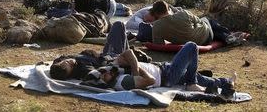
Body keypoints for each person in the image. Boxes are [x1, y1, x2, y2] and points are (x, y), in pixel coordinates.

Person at [88, 41, 237, 97]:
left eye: (103, 72)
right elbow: (150, 80)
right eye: (103, 77)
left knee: (198, 76)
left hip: (164, 68)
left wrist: (130, 66)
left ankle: (226, 82)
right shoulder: (122, 82)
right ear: (105, 83)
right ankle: (191, 82)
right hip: (166, 77)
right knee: (191, 46)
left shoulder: (114, 69)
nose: (105, 74)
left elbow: (127, 52)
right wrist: (135, 69)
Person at [49, 21, 129, 80]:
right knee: (118, 25)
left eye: (65, 61)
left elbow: (59, 61)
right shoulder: (84, 70)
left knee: (119, 30)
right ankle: (129, 54)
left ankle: (129, 51)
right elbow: (99, 73)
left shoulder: (60, 63)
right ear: (71, 72)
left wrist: (88, 52)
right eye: (70, 65)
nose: (69, 61)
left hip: (103, 54)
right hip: (113, 57)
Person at [149, 1, 248, 46]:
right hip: (204, 37)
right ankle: (228, 35)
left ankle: (227, 36)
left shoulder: (156, 27)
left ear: (156, 13)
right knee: (208, 20)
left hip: (189, 45)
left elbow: (159, 44)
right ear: (168, 9)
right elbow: (199, 21)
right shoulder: (183, 14)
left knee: (210, 28)